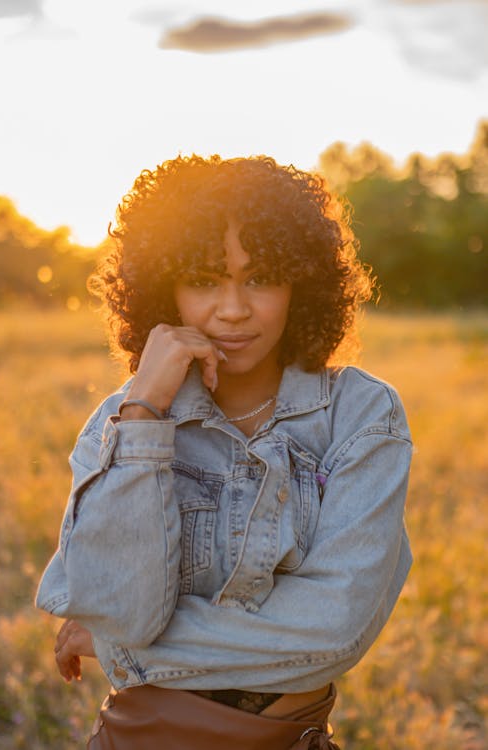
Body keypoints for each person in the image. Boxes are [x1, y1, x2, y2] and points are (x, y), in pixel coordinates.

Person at [36, 154, 413, 749]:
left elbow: (333, 632)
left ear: (301, 283)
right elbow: (120, 606)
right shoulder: (121, 420)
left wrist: (122, 648)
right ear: (166, 291)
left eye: (260, 278)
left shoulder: (361, 416)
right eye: (205, 280)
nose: (233, 309)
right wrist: (143, 414)